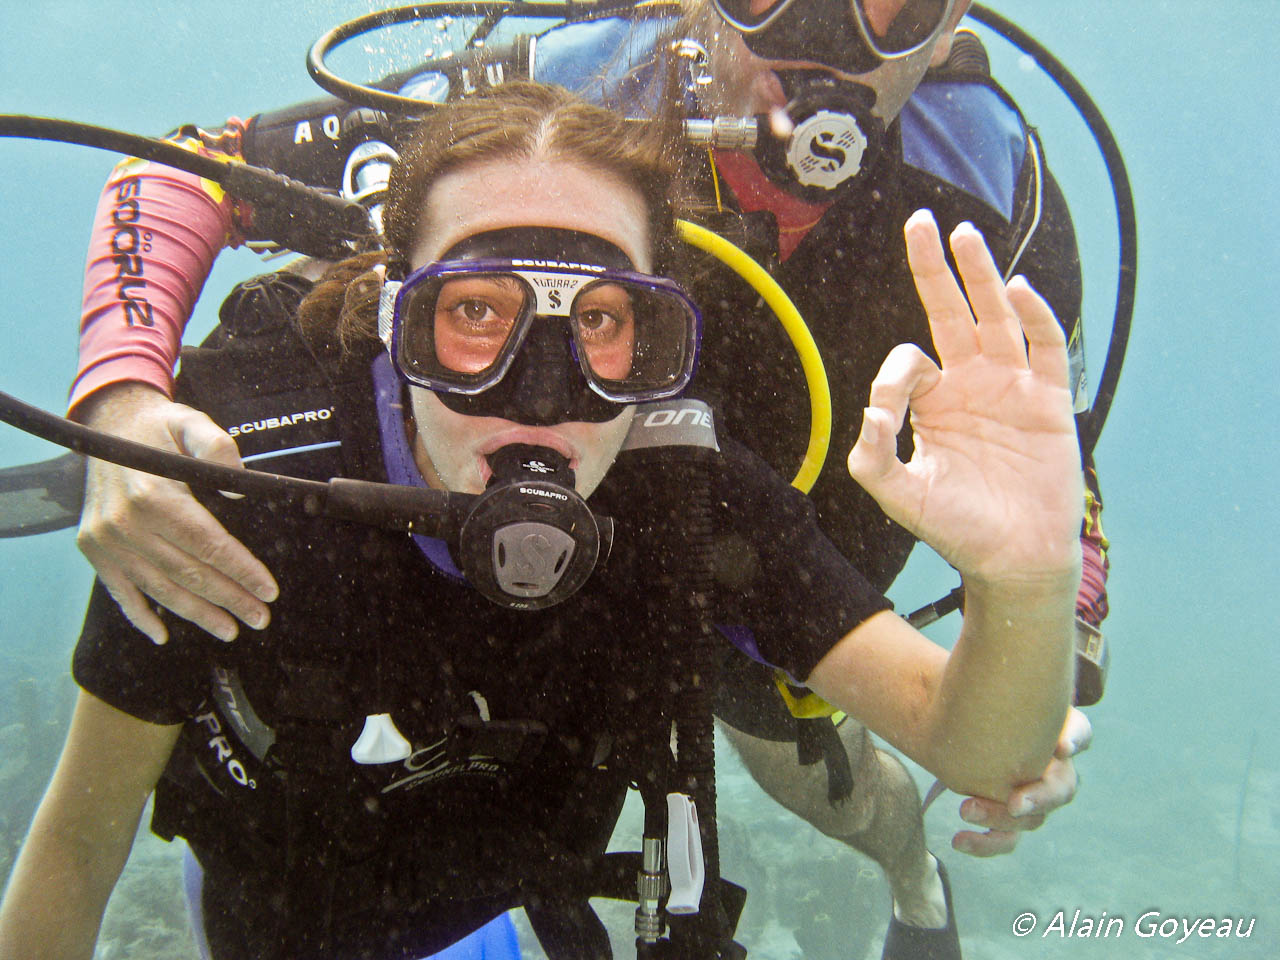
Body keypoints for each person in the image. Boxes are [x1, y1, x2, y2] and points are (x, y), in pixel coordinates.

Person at [60, 1, 1103, 955]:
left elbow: (1039, 443)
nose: (820, 40)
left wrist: (1038, 615)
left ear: (951, 16)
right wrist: (119, 404)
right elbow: (185, 167)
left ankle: (911, 874)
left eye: (886, 5)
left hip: (717, 513)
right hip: (483, 468)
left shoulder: (988, 179)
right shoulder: (553, 90)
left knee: (797, 750)